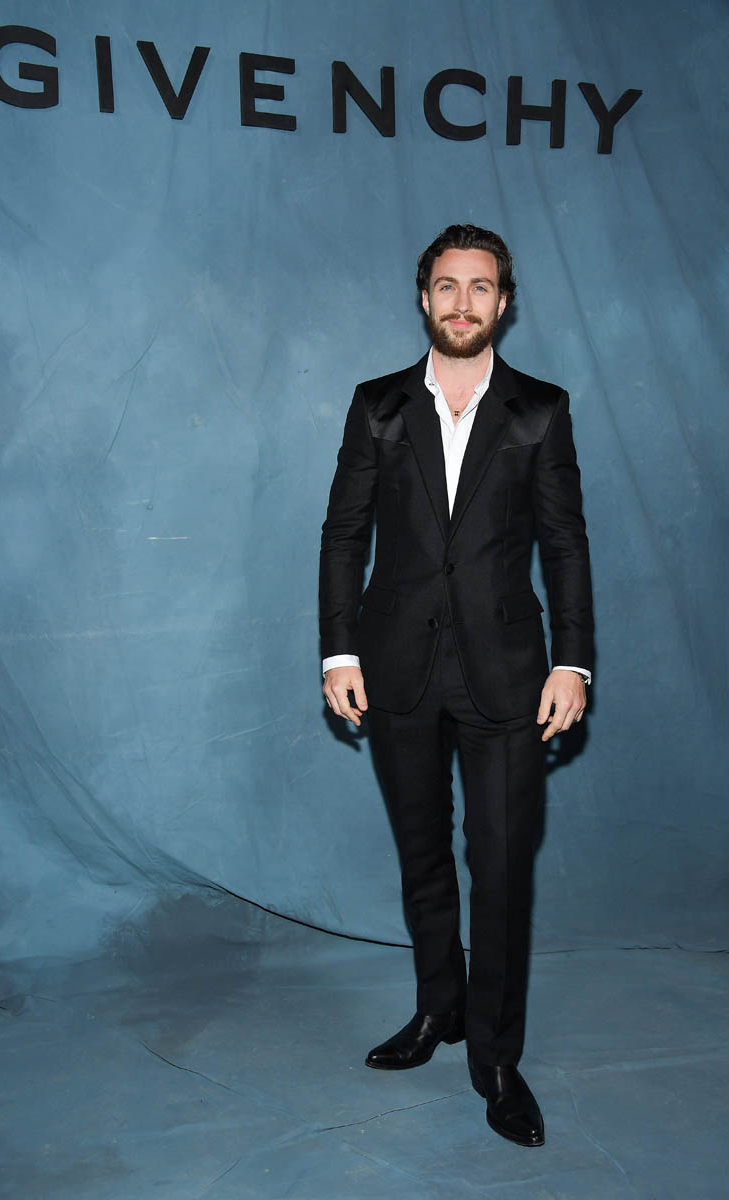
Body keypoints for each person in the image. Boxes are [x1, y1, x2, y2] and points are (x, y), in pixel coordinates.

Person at [319, 224, 593, 1148]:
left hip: (507, 677)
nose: (463, 302)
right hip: (393, 667)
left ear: (503, 303)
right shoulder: (378, 406)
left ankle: (496, 1059)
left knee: (501, 865)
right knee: (423, 855)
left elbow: (565, 544)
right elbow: (343, 534)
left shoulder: (540, 410)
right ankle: (438, 1008)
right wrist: (338, 652)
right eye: (447, 285)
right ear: (424, 297)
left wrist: (572, 661)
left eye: (480, 287)